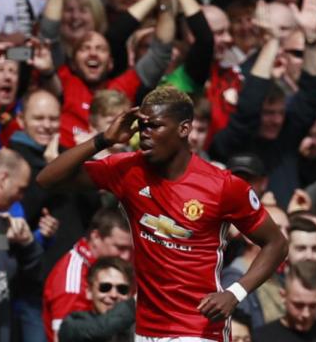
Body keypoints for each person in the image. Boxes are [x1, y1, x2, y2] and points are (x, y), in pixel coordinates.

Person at [37, 86, 287, 340]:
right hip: (146, 329)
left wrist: (236, 292)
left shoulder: (222, 186)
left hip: (197, 328)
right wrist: (104, 140)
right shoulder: (127, 170)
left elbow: (276, 243)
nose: (145, 134)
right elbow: (48, 179)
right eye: (142, 125)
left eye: (154, 126)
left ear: (184, 129)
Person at [42, 207, 132, 341]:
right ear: (96, 237)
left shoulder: (114, 263)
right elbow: (63, 337)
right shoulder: (71, 282)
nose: (127, 256)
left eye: (131, 249)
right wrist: (131, 309)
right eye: (120, 248)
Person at [254, 261, 316, 342]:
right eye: (298, 305)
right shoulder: (261, 338)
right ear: (283, 296)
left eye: (313, 306)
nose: (306, 314)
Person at [57, 257, 136, 342]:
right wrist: (132, 304)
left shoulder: (138, 330)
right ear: (89, 292)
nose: (113, 295)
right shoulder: (72, 325)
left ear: (129, 293)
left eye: (122, 289)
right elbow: (101, 329)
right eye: (105, 287)